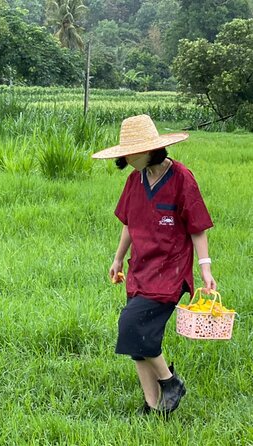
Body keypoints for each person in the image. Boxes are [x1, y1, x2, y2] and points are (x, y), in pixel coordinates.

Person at [92, 114, 217, 415]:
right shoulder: (135, 180)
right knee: (138, 342)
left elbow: (197, 226)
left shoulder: (182, 178)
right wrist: (118, 258)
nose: (127, 157)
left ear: (150, 149)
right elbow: (129, 223)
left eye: (131, 151)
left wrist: (205, 267)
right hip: (140, 270)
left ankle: (170, 382)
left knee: (131, 324)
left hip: (170, 272)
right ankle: (154, 406)